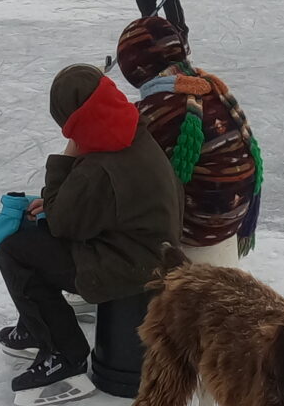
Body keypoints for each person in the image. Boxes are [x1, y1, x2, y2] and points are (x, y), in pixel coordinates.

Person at [0, 63, 182, 403]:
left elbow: (62, 225)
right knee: (33, 236)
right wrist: (53, 204)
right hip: (152, 251)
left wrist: (67, 156)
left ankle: (65, 356)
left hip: (131, 267)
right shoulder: (131, 130)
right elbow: (92, 205)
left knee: (15, 250)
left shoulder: (99, 168)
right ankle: (38, 324)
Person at [113, 15, 263, 264]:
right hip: (237, 214)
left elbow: (127, 177)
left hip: (199, 228)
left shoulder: (155, 111)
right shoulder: (210, 87)